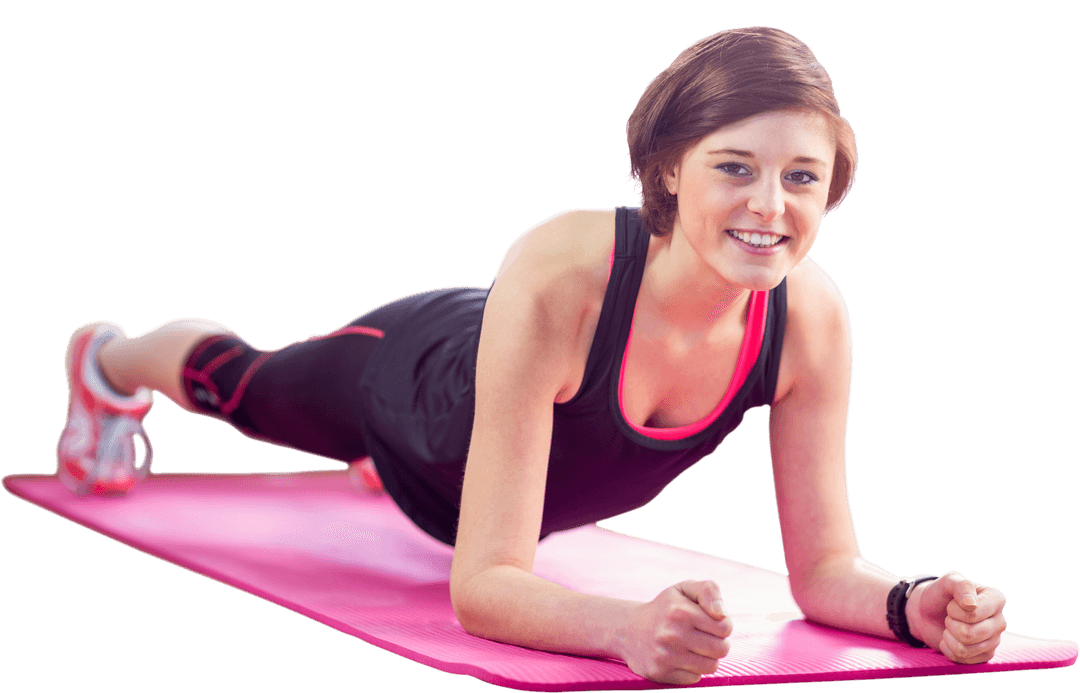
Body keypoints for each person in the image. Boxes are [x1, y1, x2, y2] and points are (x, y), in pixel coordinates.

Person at [54, 26, 1007, 685]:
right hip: (416, 383)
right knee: (245, 387)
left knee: (410, 452)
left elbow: (826, 569)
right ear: (671, 167)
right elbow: (484, 585)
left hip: (487, 445)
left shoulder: (812, 320)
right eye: (734, 167)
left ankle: (363, 467)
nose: (770, 207)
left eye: (802, 176)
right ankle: (111, 360)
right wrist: (624, 629)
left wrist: (910, 602)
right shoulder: (560, 271)